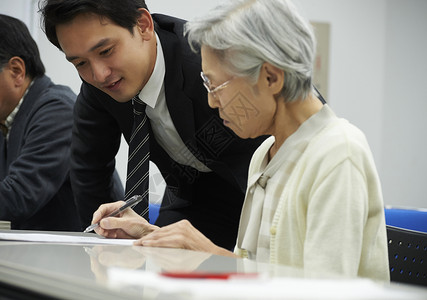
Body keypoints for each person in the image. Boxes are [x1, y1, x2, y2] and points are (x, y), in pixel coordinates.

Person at [91, 0, 390, 281]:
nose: (210, 101)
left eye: (216, 85)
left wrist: (207, 254)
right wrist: (150, 234)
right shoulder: (264, 154)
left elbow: (324, 292)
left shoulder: (338, 153)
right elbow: (249, 266)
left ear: (271, 78)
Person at [40, 0, 265, 249]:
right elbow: (89, 171)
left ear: (143, 25)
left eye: (106, 51)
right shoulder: (98, 90)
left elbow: (291, 125)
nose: (99, 74)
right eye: (80, 63)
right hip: (194, 195)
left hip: (263, 189)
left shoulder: (208, 58)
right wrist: (106, 241)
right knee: (154, 259)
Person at [0, 14, 80, 231]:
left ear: (16, 71)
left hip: (81, 257)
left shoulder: (57, 109)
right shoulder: (3, 120)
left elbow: (18, 196)